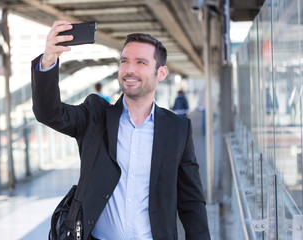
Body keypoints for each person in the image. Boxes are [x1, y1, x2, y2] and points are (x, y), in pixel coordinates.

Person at [31, 20, 210, 240]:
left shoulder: (178, 128)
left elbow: (191, 200)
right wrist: (48, 59)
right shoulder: (95, 115)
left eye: (141, 62)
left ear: (161, 73)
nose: (129, 69)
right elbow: (48, 112)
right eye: (124, 61)